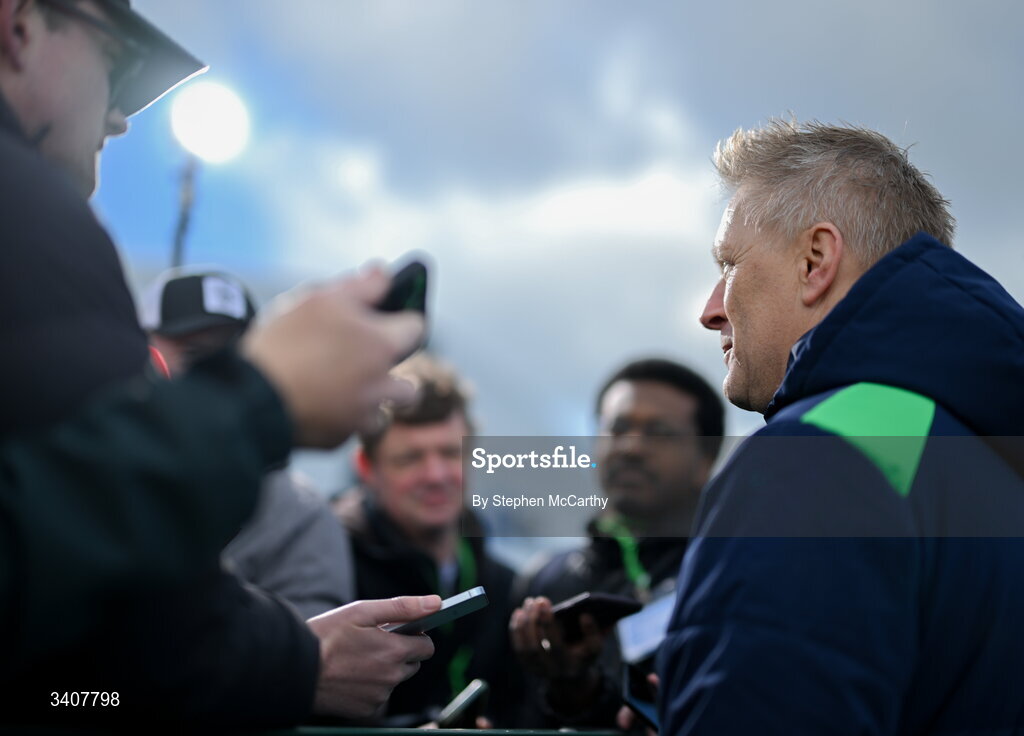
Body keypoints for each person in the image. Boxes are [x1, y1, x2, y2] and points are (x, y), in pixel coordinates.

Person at [0, 0, 438, 727]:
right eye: (118, 63)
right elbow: (91, 633)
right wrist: (261, 399)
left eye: (229, 354)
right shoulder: (28, 208)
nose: (118, 120)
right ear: (18, 25)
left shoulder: (298, 513)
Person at [659, 120, 1024, 734]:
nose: (711, 309)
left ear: (815, 260)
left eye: (730, 264)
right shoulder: (986, 449)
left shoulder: (817, 459)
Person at [510, 358, 724, 727]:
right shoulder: (543, 582)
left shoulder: (725, 577)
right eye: (618, 427)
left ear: (706, 459)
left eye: (659, 432)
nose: (631, 447)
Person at [142, 268, 357, 618]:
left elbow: (319, 653)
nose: (217, 378)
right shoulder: (92, 473)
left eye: (236, 359)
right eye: (193, 354)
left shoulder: (299, 516)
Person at [333, 355, 522, 726]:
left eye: (451, 453)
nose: (436, 474)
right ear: (366, 467)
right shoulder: (327, 562)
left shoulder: (505, 585)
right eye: (410, 458)